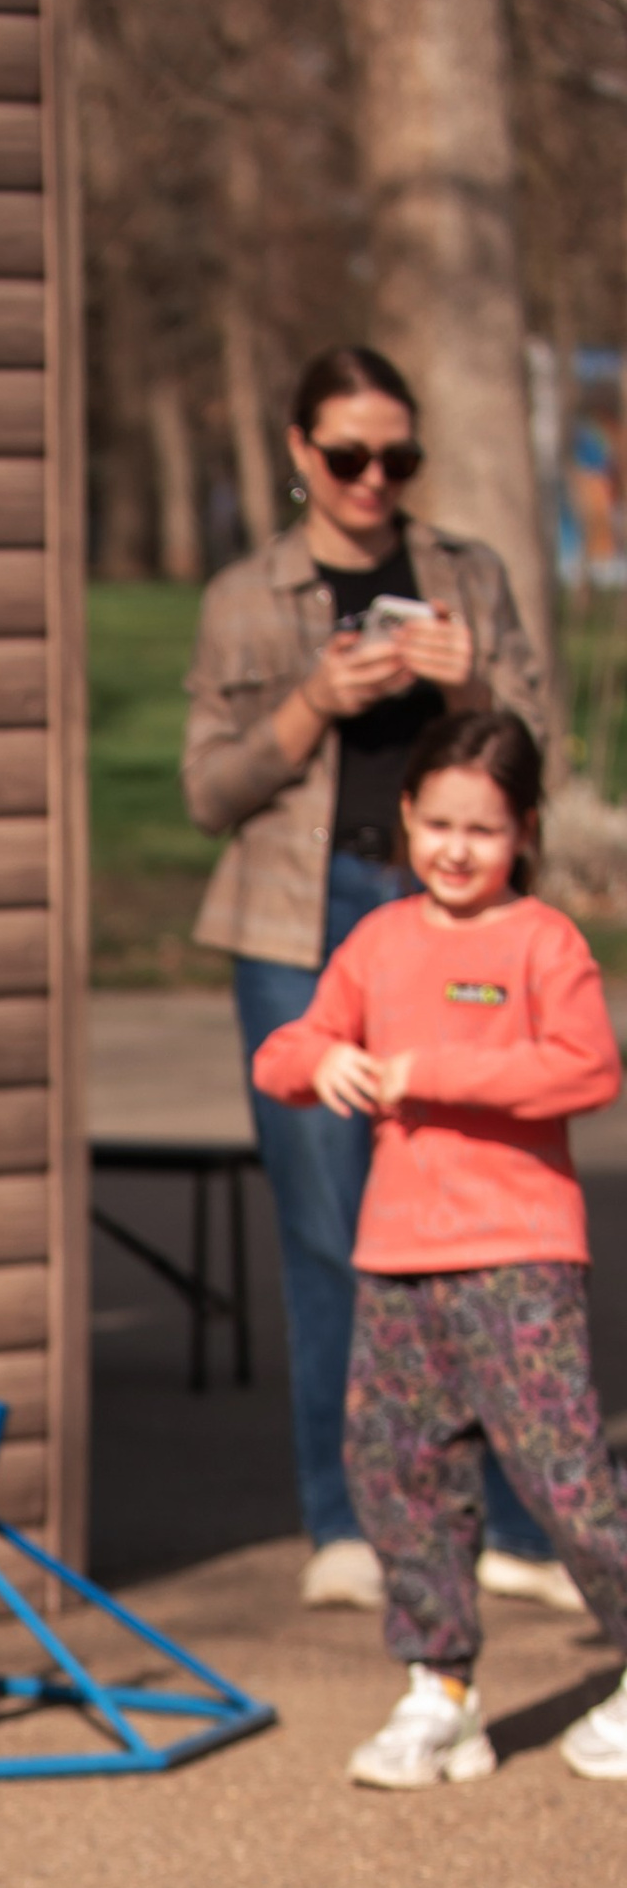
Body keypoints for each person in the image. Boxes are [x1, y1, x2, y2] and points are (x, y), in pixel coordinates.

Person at [184, 345, 575, 1615]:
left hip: (448, 915)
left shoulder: (466, 574)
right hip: (299, 921)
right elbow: (207, 790)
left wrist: (464, 681)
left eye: (395, 457)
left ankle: (505, 1519)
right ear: (300, 452)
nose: (371, 478)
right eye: (346, 455)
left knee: (480, 1233)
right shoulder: (247, 594)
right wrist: (313, 699)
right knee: (323, 1231)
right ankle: (344, 1517)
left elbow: (536, 753)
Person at [250, 711, 627, 1790]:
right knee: (398, 1469)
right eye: (439, 821)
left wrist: (433, 1070)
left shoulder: (542, 941)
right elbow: (288, 1046)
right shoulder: (378, 941)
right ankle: (441, 1689)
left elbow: (586, 1068)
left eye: (486, 827)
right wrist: (320, 1063)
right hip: (398, 1259)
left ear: (525, 831)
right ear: (407, 815)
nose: (458, 847)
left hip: (520, 1256)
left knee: (564, 1474)